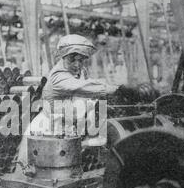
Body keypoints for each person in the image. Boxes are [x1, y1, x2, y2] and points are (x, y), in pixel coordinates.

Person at [16, 34, 120, 168]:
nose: (77, 64)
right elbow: (85, 88)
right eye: (72, 59)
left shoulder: (81, 71)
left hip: (68, 127)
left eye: (81, 60)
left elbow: (89, 86)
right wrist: (117, 89)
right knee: (37, 172)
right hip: (47, 130)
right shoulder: (58, 76)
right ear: (63, 57)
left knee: (67, 171)